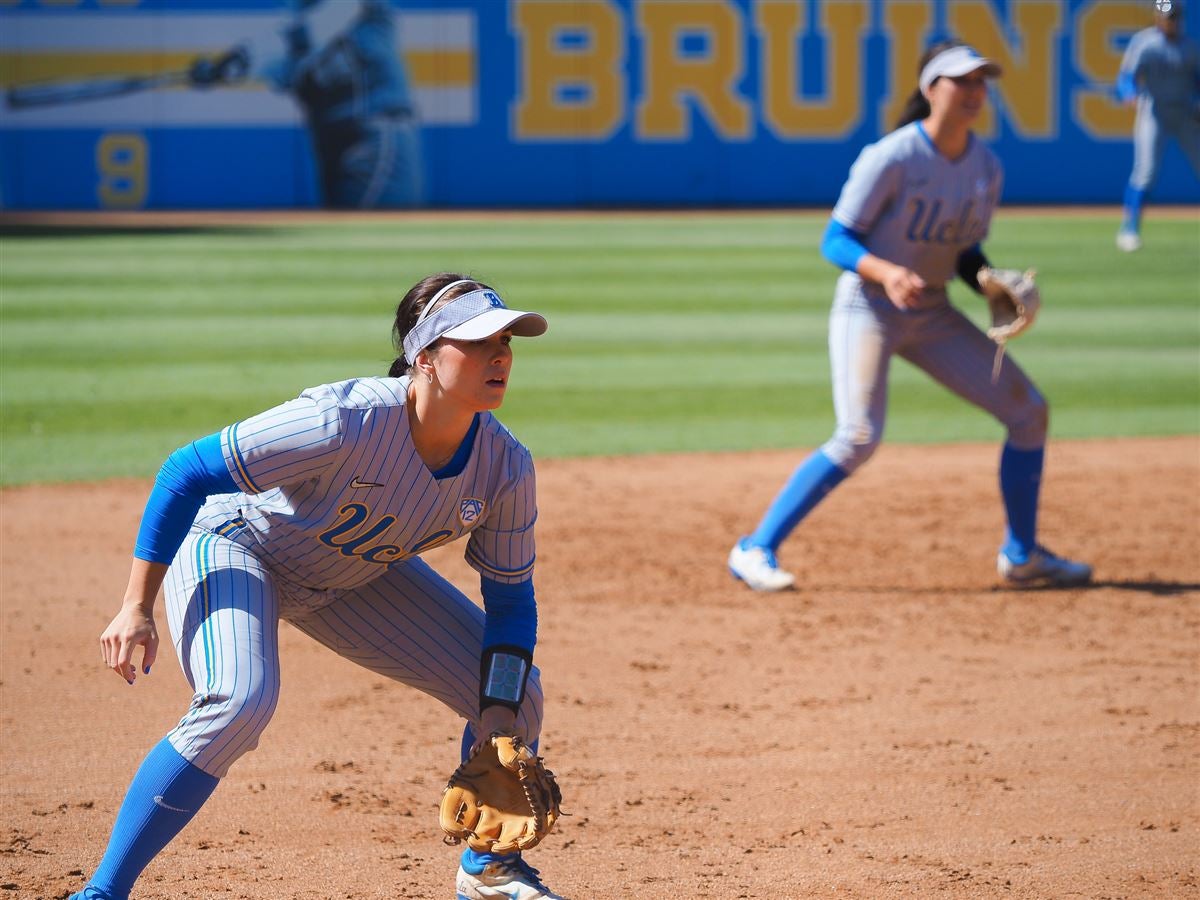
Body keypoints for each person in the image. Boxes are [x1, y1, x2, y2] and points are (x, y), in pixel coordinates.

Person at [70, 274, 564, 900]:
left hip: (351, 576)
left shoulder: (505, 466)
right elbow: (184, 470)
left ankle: (488, 871)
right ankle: (102, 891)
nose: (499, 357)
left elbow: (511, 603)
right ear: (423, 357)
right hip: (238, 545)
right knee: (238, 703)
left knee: (518, 701)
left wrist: (495, 716)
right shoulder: (345, 419)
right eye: (477, 343)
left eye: (506, 342)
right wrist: (135, 606)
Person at [727, 41, 1092, 593]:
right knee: (858, 436)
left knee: (1029, 413)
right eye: (961, 80)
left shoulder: (986, 168)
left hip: (932, 312)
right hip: (869, 305)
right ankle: (754, 548)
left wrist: (988, 282)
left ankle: (1022, 555)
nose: (974, 91)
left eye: (980, 81)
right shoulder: (893, 156)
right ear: (930, 88)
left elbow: (964, 251)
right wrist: (888, 272)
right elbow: (836, 239)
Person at [190, 0, 425, 209]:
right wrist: (219, 72)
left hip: (376, 139)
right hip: (332, 148)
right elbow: (276, 65)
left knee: (360, 233)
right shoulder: (297, 17)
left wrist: (243, 57)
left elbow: (313, 30)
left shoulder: (348, 10)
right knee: (341, 235)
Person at [1115, 0, 1200, 251]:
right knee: (1146, 171)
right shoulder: (1145, 43)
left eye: (1174, 17)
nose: (1170, 21)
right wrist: (1129, 93)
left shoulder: (1190, 48)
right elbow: (1127, 76)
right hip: (1154, 111)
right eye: (1166, 16)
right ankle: (1129, 229)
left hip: (1184, 113)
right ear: (1157, 17)